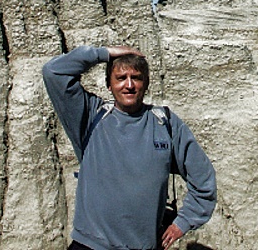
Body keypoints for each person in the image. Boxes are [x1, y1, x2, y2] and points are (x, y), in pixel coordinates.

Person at [42, 44, 217, 250]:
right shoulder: (91, 117)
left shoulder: (166, 124)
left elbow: (203, 179)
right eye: (120, 78)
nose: (129, 85)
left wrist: (183, 223)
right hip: (90, 245)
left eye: (136, 77)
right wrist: (104, 53)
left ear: (146, 83)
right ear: (109, 84)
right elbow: (54, 72)